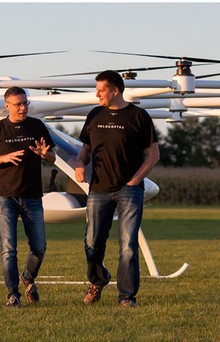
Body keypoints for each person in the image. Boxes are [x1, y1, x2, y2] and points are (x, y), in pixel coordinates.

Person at [74, 70, 160, 308]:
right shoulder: (94, 115)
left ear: (115, 90)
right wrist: (80, 163)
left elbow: (153, 155)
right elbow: (85, 150)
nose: (97, 94)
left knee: (128, 246)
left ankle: (126, 296)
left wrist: (135, 181)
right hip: (98, 190)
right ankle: (98, 280)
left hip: (129, 191)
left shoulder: (138, 116)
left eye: (101, 90)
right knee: (92, 244)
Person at [0, 86, 56, 308]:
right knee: (8, 249)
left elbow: (52, 156)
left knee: (39, 247)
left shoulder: (37, 126)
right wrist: (2, 158)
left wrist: (44, 154)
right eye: (18, 104)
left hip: (32, 196)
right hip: (6, 198)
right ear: (7, 106)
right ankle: (13, 295)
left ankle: (28, 278)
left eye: (25, 103)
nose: (23, 108)